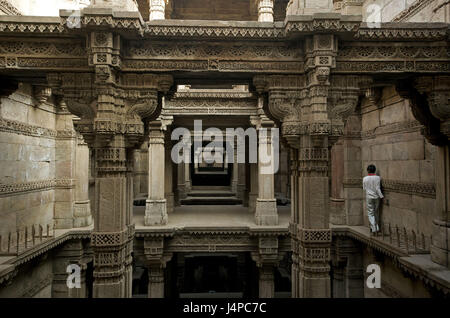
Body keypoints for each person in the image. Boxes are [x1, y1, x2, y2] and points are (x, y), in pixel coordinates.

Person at [363, 165, 384, 234]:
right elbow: (378, 188)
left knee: (370, 213)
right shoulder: (378, 178)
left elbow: (364, 188)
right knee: (376, 212)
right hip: (377, 197)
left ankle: (374, 228)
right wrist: (381, 196)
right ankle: (375, 227)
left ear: (368, 170)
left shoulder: (365, 178)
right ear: (374, 170)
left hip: (369, 197)